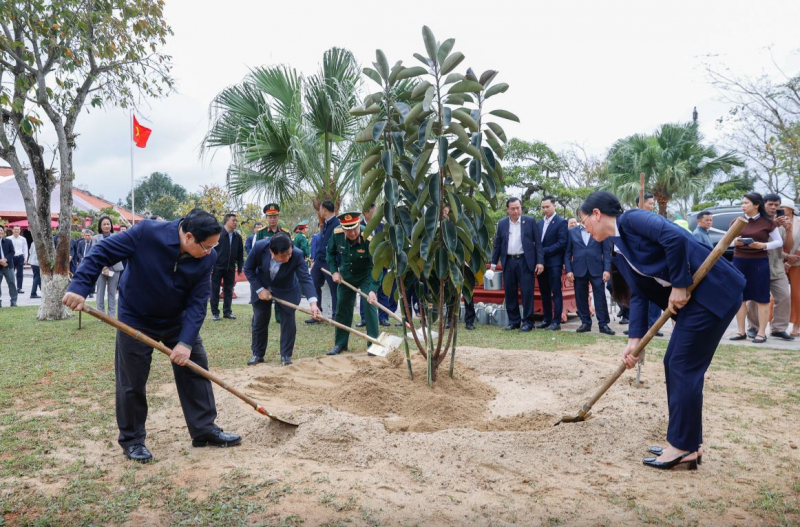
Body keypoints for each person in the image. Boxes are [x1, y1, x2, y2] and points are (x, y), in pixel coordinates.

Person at [579, 191, 744, 470]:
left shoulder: (632, 219)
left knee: (681, 365)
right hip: (696, 302)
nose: (584, 227)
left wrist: (679, 284)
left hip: (713, 293)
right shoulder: (617, 247)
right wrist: (635, 340)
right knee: (677, 364)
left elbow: (675, 238)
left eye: (584, 220)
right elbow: (640, 293)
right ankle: (688, 442)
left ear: (597, 214)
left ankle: (682, 447)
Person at [62, 209, 242, 463]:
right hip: (136, 316)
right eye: (206, 246)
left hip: (176, 320)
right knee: (132, 380)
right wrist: (79, 287)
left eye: (214, 247)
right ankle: (133, 440)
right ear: (188, 237)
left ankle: (203, 430)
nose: (210, 252)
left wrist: (186, 342)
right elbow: (101, 253)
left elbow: (198, 301)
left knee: (195, 368)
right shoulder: (146, 233)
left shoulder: (206, 258)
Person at [244, 233, 321, 366]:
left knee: (288, 321)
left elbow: (305, 279)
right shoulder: (259, 247)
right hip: (262, 286)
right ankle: (257, 354)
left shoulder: (297, 254)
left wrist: (313, 304)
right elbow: (248, 269)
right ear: (271, 251)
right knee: (260, 320)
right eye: (283, 256)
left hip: (286, 289)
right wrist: (259, 289)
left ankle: (286, 355)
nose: (288, 258)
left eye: (289, 254)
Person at [729, 193, 783, 343]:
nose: (743, 206)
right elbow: (726, 242)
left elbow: (779, 242)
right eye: (742, 203)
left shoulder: (768, 222)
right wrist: (735, 242)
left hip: (759, 262)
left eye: (746, 203)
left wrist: (763, 245)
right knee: (740, 298)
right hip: (739, 261)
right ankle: (741, 331)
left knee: (762, 298)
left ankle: (761, 333)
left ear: (756, 204)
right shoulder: (737, 221)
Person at [325, 212, 380, 356]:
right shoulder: (336, 234)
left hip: (366, 275)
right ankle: (340, 344)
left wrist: (373, 289)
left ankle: (373, 344)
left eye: (355, 228)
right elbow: (330, 253)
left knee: (369, 305)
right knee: (342, 306)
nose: (353, 232)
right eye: (348, 230)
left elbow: (377, 265)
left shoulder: (368, 237)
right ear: (342, 229)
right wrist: (334, 272)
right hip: (346, 275)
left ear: (359, 225)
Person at [744, 194, 794, 341]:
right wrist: (773, 225)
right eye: (770, 204)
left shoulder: (782, 222)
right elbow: (756, 242)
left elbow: (788, 247)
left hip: (777, 266)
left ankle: (778, 328)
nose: (774, 207)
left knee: (784, 296)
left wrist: (789, 230)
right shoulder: (757, 221)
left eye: (777, 205)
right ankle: (753, 328)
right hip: (757, 264)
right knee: (754, 298)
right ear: (762, 205)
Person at [491, 197, 544, 332]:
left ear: (521, 208)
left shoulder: (530, 221)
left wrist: (540, 262)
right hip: (508, 262)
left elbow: (538, 243)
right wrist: (493, 263)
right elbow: (498, 245)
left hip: (525, 261)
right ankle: (514, 321)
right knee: (510, 293)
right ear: (508, 210)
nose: (516, 211)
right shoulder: (502, 223)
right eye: (513, 208)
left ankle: (528, 322)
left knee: (527, 292)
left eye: (518, 208)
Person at [565, 217, 614, 335]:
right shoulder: (572, 232)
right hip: (578, 268)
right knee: (581, 297)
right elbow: (567, 253)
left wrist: (607, 270)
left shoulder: (600, 229)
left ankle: (603, 324)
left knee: (600, 297)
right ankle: (585, 323)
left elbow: (606, 252)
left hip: (597, 268)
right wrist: (569, 270)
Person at [623, 193, 663, 337]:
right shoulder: (629, 220)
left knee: (655, 297)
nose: (652, 206)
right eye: (649, 203)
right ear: (640, 203)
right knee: (637, 296)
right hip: (636, 266)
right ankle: (637, 326)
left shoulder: (655, 220)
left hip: (653, 266)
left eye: (653, 204)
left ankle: (654, 325)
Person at [535, 196, 568, 331]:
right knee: (544, 292)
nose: (545, 209)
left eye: (547, 206)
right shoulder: (539, 223)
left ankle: (556, 321)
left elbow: (561, 243)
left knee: (556, 292)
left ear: (554, 206)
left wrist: (543, 251)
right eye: (543, 207)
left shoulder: (561, 222)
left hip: (554, 263)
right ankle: (547, 319)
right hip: (541, 263)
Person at [308, 200, 340, 324]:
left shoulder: (337, 224)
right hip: (319, 261)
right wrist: (315, 260)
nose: (319, 211)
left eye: (320, 209)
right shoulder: (325, 223)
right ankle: (317, 314)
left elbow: (337, 246)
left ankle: (336, 317)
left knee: (334, 290)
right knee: (314, 285)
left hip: (330, 263)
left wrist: (336, 265)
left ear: (324, 210)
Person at [210, 213, 243, 322]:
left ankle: (227, 311)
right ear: (226, 221)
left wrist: (240, 266)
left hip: (231, 267)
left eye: (236, 221)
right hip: (217, 266)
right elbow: (210, 250)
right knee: (215, 290)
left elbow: (240, 253)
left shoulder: (237, 237)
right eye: (233, 220)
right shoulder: (217, 234)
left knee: (229, 290)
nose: (235, 223)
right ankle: (215, 313)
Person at [93, 216, 124, 317]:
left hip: (114, 267)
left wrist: (108, 265)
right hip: (100, 268)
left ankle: (111, 316)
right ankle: (100, 315)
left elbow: (118, 253)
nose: (106, 226)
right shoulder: (95, 238)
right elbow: (95, 253)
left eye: (108, 224)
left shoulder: (117, 237)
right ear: (100, 226)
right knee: (100, 292)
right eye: (104, 224)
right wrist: (104, 267)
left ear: (111, 226)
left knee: (112, 292)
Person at [781, 198, 800, 336]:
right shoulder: (776, 222)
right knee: (779, 295)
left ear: (791, 209)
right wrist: (784, 260)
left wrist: (790, 262)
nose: (780, 209)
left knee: (797, 294)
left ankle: (797, 325)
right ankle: (778, 326)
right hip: (779, 262)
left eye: (783, 207)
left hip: (797, 262)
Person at [0, 228, 18, 307]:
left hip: (8, 266)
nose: (0, 232)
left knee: (12, 283)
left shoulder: (8, 241)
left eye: (1, 230)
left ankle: (13, 301)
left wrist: (5, 260)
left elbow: (12, 252)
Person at [10, 226, 27, 294]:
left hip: (20, 257)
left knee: (20, 273)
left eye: (17, 229)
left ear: (20, 230)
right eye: (15, 229)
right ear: (12, 230)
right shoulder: (9, 239)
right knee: (11, 273)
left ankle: (19, 288)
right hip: (12, 258)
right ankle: (12, 288)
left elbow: (25, 249)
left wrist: (25, 258)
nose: (16, 231)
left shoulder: (23, 239)